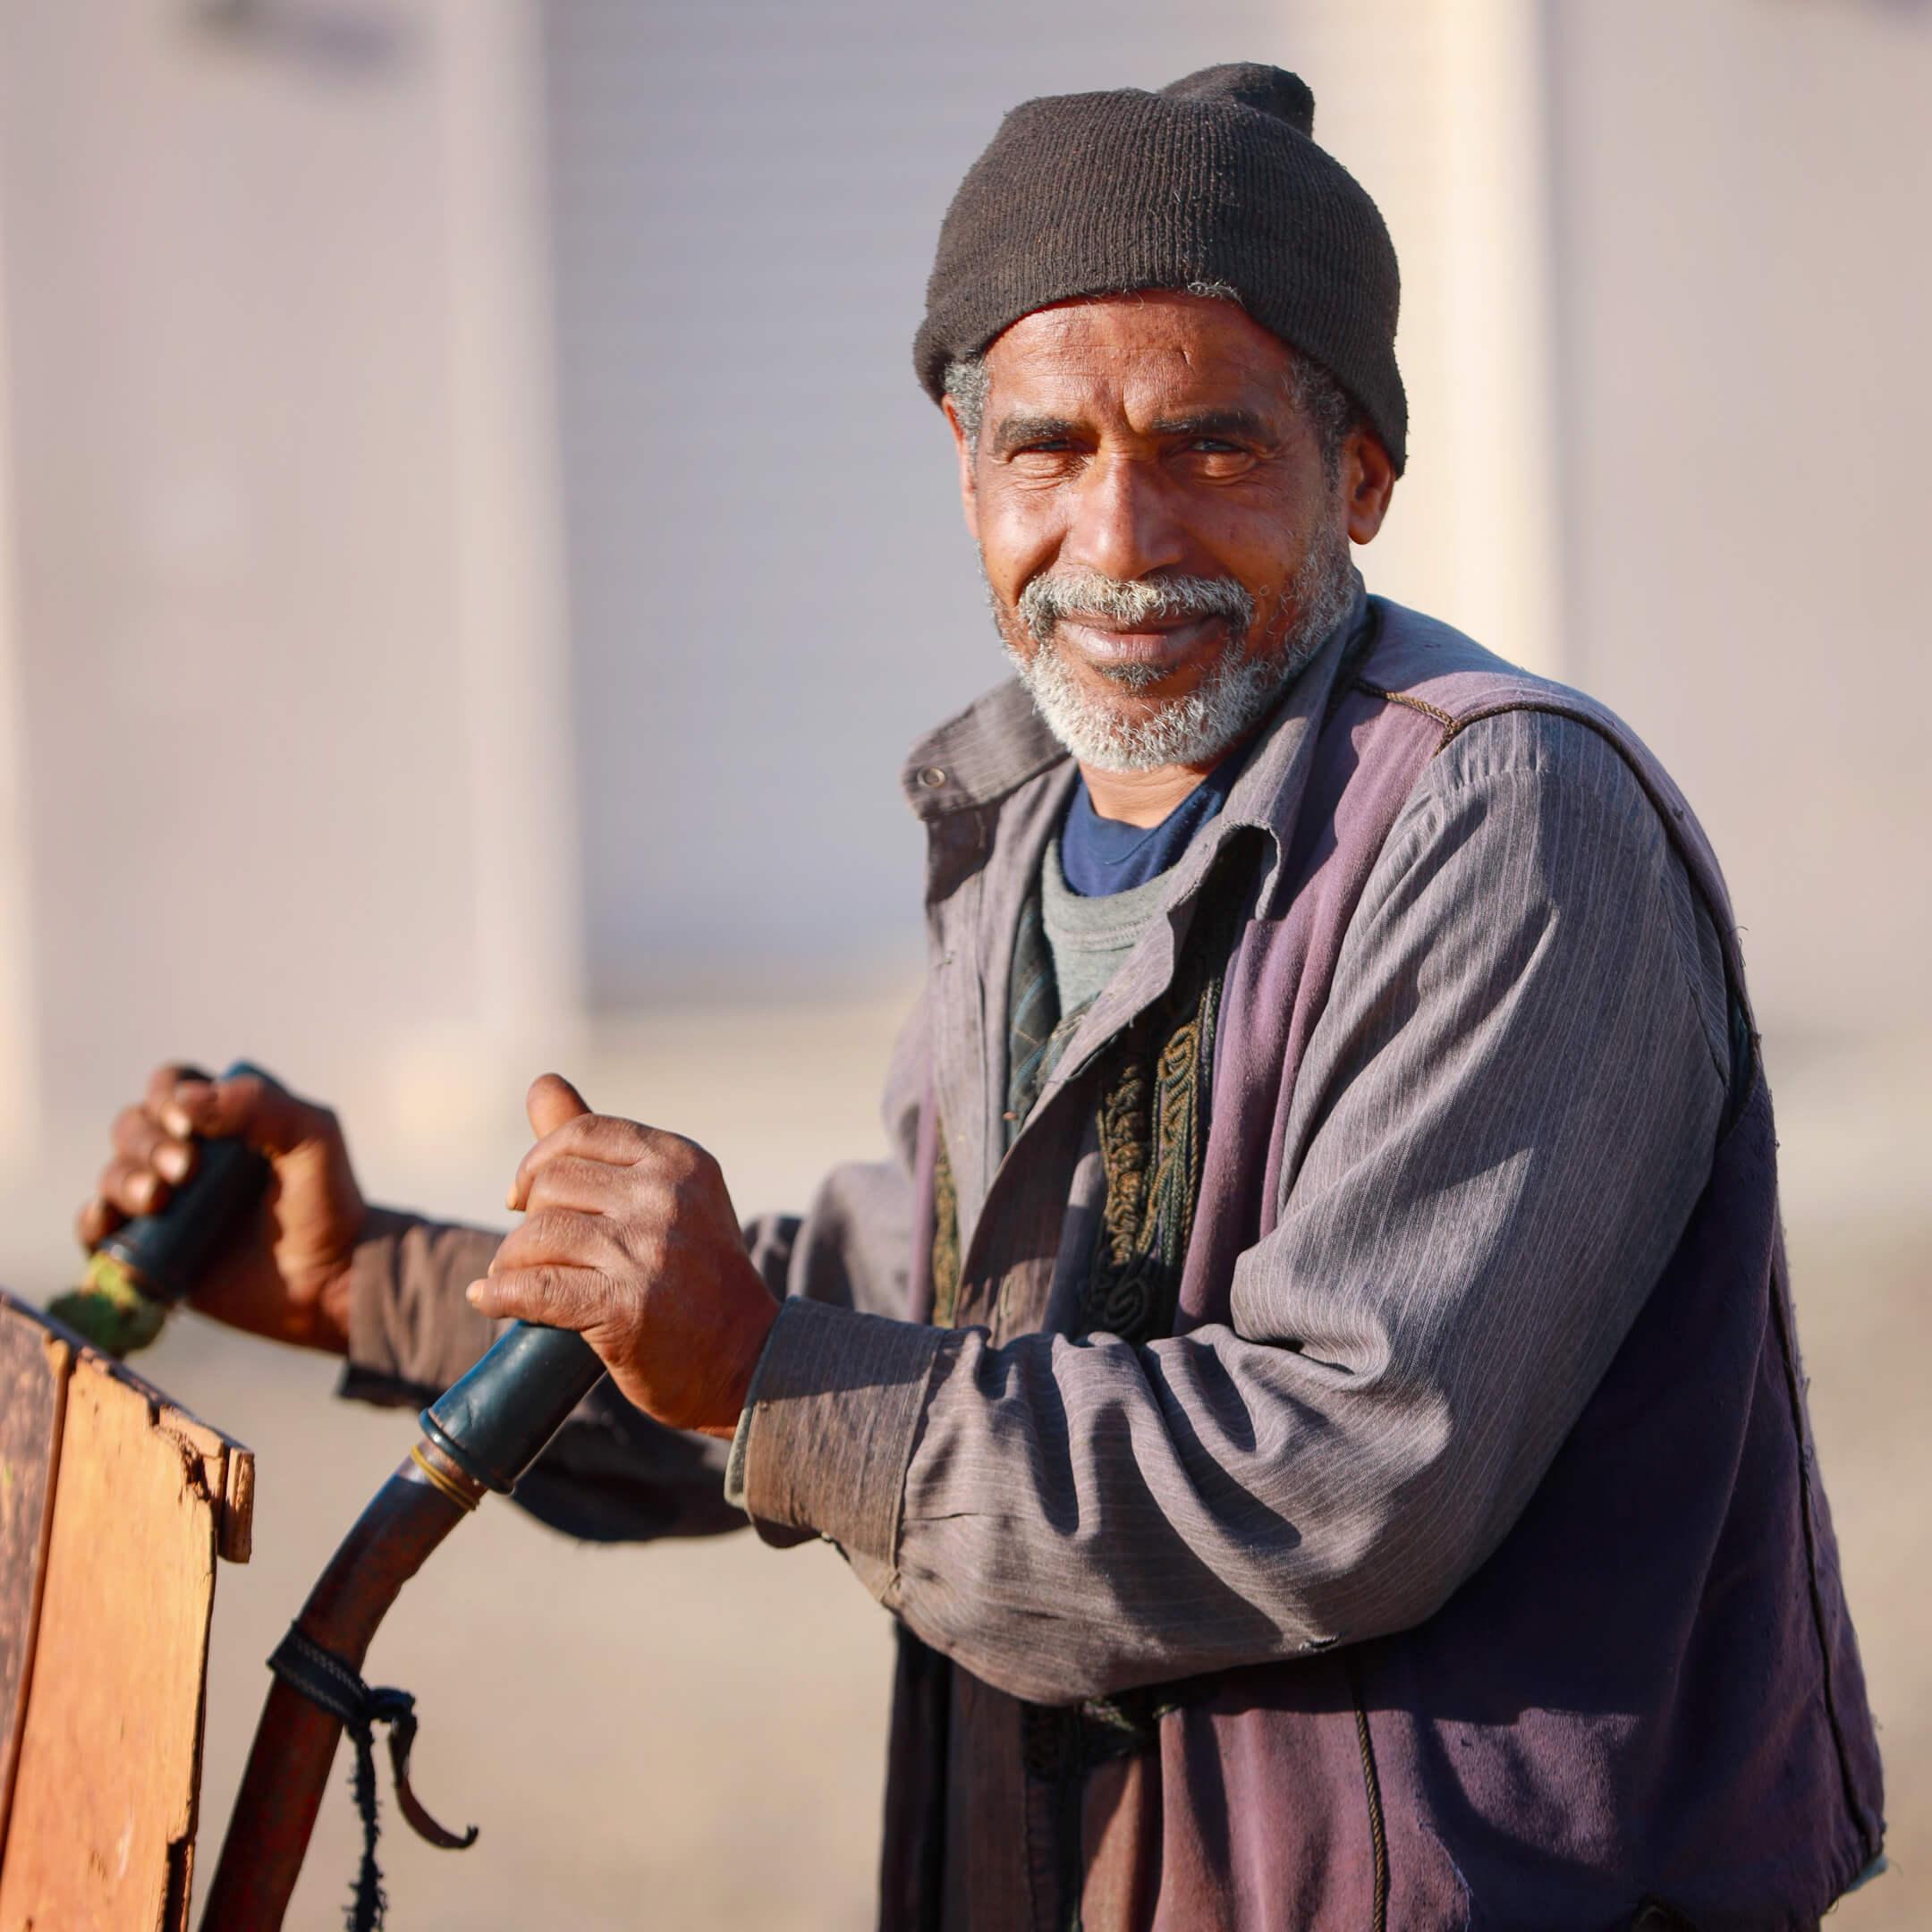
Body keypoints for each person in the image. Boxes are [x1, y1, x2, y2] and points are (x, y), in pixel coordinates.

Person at [80, 63, 1883, 1932]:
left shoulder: (1503, 818)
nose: (1117, 543)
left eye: (1209, 445)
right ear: (965, 470)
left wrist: (768, 1375)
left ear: (1359, 473)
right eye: (1049, 450)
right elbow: (902, 1312)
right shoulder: (1036, 823)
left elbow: (1346, 1475)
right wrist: (359, 1274)